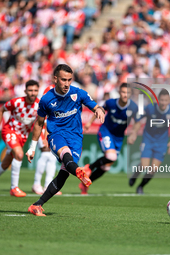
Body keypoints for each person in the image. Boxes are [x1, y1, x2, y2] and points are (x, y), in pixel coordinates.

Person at [26, 64, 105, 216]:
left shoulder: (78, 93)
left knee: (63, 175)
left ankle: (37, 205)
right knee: (65, 154)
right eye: (63, 80)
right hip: (56, 135)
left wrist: (99, 111)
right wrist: (32, 147)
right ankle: (78, 171)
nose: (67, 83)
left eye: (69, 80)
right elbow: (39, 123)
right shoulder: (46, 99)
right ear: (55, 79)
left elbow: (95, 106)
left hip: (76, 138)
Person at [0, 80, 40, 197]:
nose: (33, 93)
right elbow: (1, 110)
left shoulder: (39, 105)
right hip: (10, 131)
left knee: (5, 164)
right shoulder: (16, 102)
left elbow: (42, 122)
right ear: (25, 91)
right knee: (20, 154)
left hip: (22, 137)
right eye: (30, 90)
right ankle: (14, 188)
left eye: (35, 90)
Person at [80, 83, 139, 194]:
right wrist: (89, 123)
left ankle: (85, 183)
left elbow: (137, 122)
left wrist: (134, 133)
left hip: (119, 137)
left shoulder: (133, 107)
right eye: (123, 92)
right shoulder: (111, 103)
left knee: (106, 167)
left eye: (128, 93)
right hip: (106, 132)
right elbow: (99, 110)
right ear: (119, 92)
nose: (125, 95)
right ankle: (88, 167)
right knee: (111, 156)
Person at [127, 89, 170, 194]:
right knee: (144, 165)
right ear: (158, 99)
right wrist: (134, 133)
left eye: (166, 100)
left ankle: (140, 186)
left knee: (153, 169)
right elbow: (138, 119)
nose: (163, 103)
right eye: (161, 100)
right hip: (148, 139)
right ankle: (134, 176)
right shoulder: (150, 107)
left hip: (161, 143)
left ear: (169, 100)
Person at [32, 84, 61, 196]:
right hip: (42, 129)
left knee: (53, 157)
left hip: (52, 130)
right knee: (45, 153)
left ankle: (48, 185)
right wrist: (45, 137)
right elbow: (42, 120)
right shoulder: (46, 98)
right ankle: (36, 184)